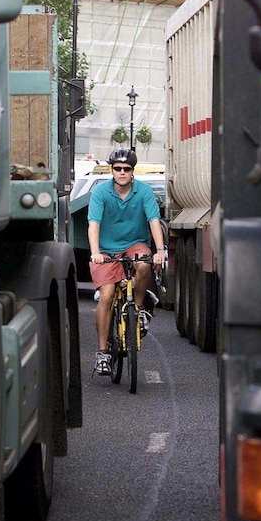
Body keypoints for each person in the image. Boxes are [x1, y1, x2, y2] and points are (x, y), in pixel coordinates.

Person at [88, 148, 167, 376]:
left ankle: (140, 308)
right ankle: (102, 352)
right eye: (117, 169)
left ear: (133, 171)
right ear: (111, 169)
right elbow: (94, 224)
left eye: (127, 169)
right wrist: (95, 252)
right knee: (106, 295)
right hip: (105, 250)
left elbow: (154, 220)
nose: (122, 173)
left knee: (144, 263)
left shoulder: (143, 191)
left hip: (135, 244)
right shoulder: (101, 192)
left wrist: (160, 250)